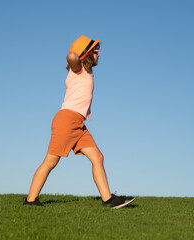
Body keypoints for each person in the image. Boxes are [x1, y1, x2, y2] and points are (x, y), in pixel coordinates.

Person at [23, 35, 135, 209]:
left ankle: (108, 199)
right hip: (67, 120)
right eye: (96, 51)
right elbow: (72, 59)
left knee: (97, 157)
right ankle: (30, 201)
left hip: (79, 123)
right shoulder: (78, 69)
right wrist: (74, 57)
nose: (99, 54)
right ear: (87, 54)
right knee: (51, 161)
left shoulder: (88, 72)